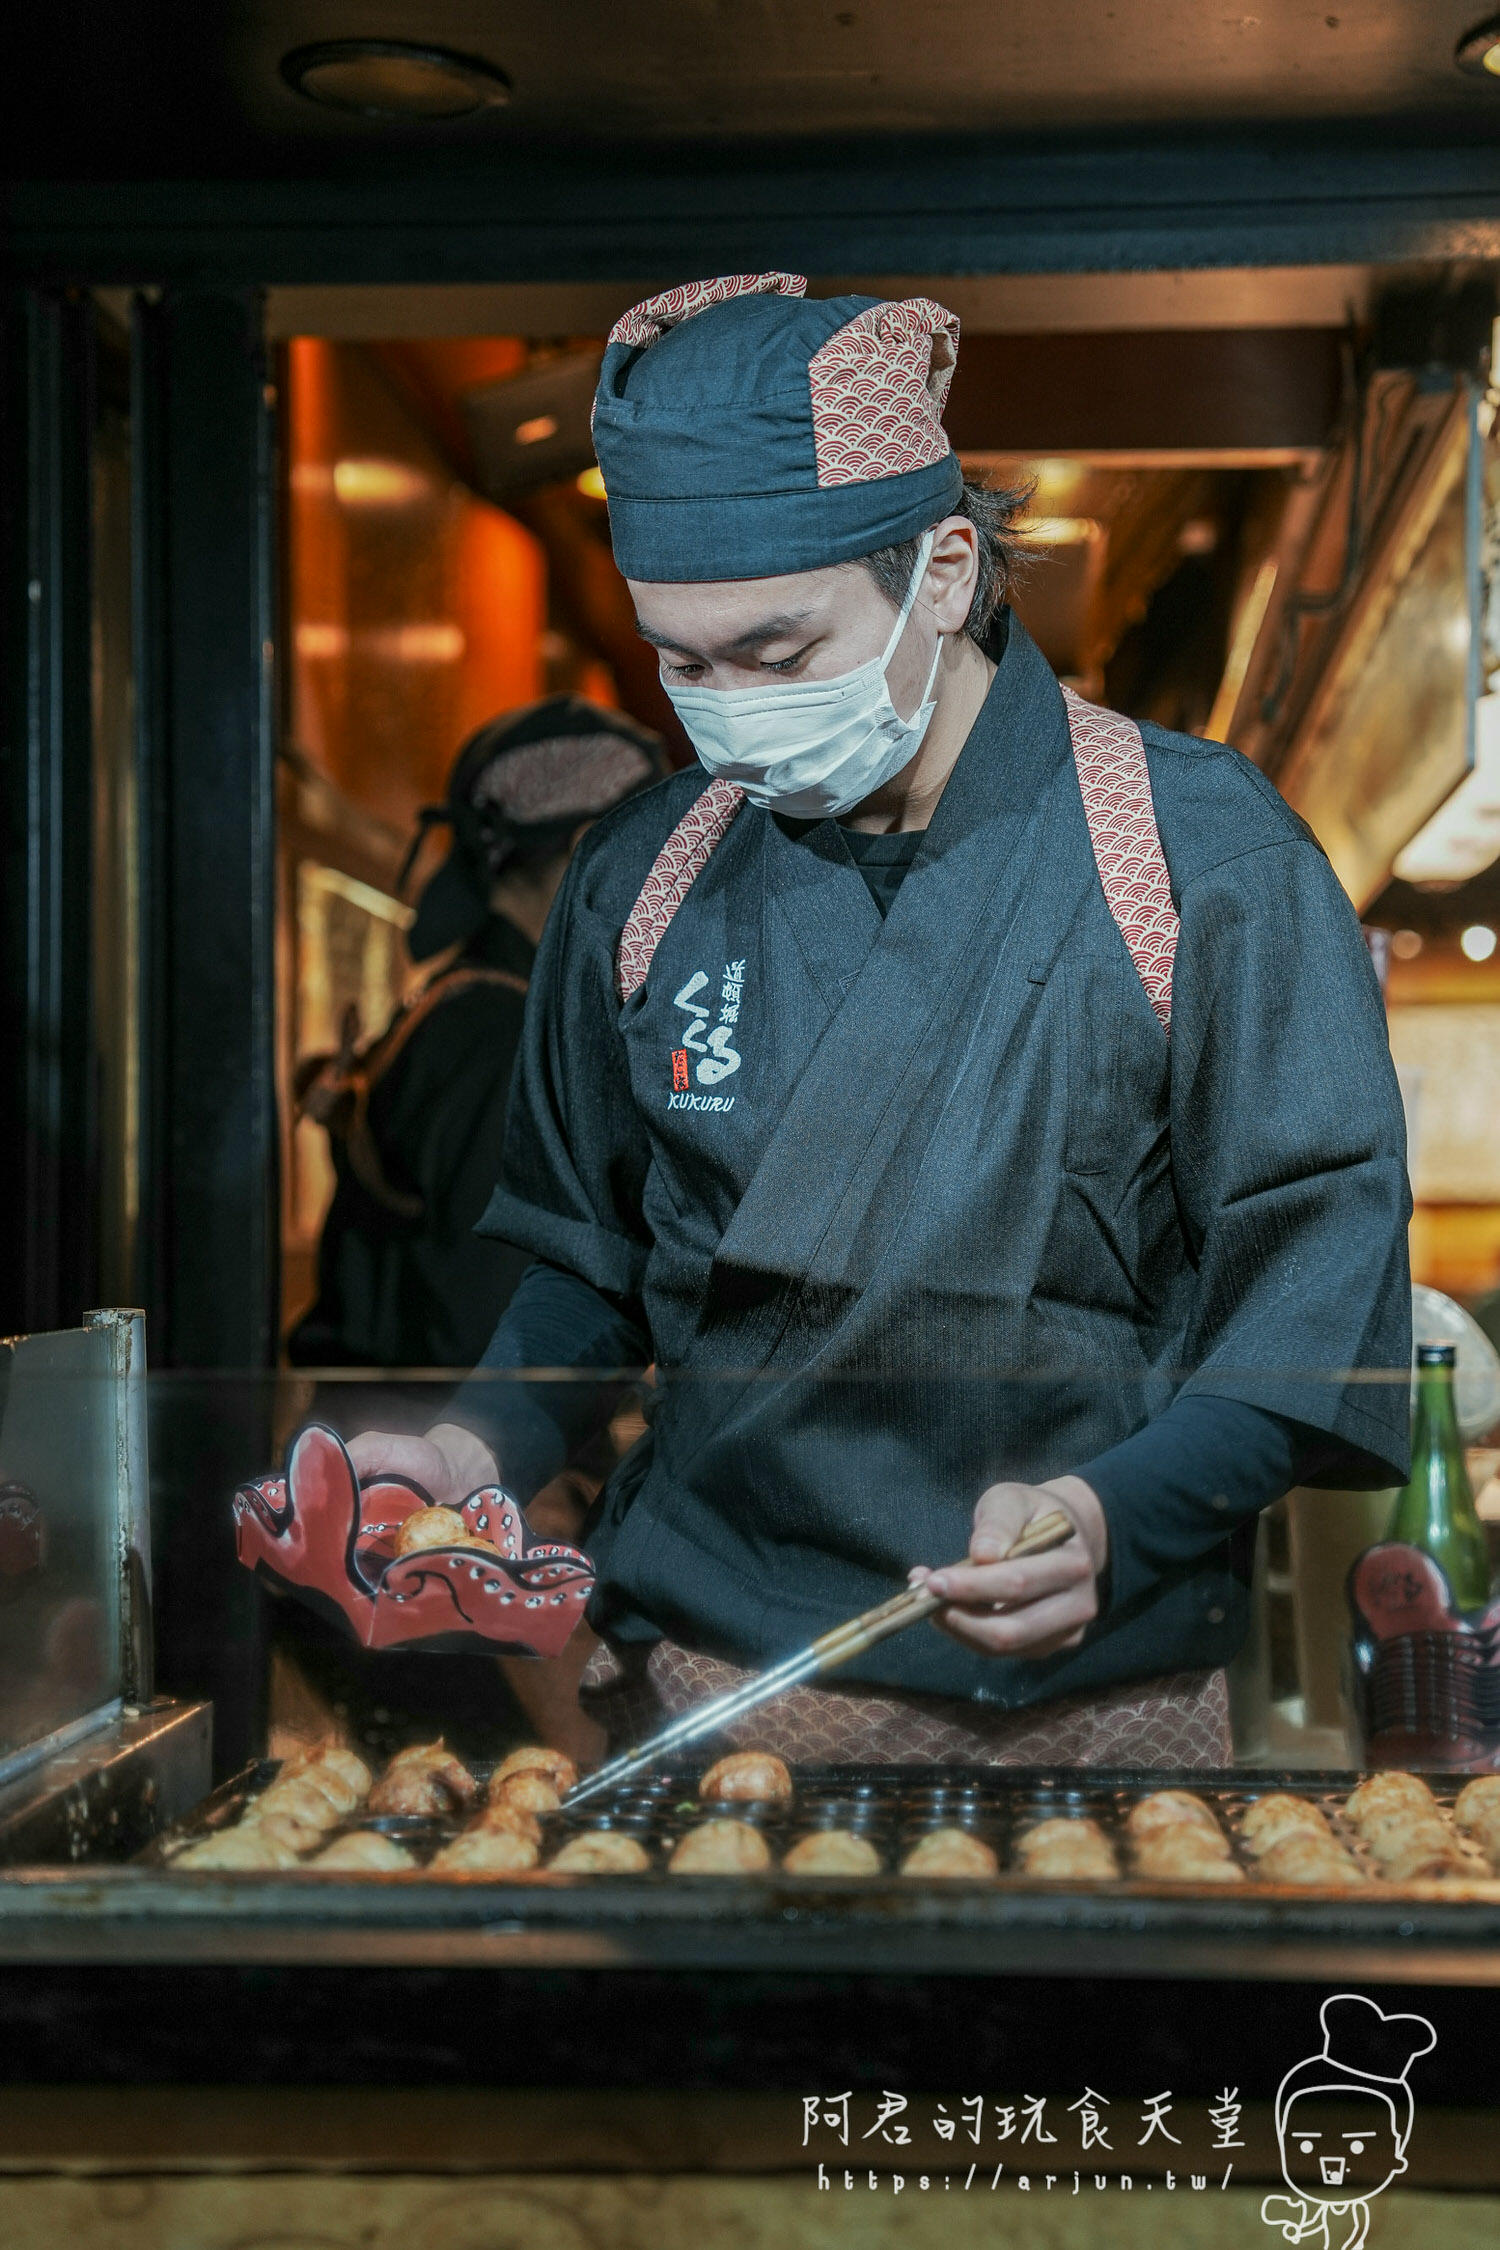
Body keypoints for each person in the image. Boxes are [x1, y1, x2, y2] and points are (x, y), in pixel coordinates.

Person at [351, 272, 1412, 1767]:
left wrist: (1123, 1511)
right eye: (684, 662)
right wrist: (479, 1446)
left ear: (947, 569)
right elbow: (587, 1269)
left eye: (778, 656)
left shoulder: (1199, 857)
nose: (728, 709)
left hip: (1096, 1714)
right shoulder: (637, 878)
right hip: (710, 1693)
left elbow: (1313, 1305)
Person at [288, 694, 664, 1405]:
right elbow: (489, 1320)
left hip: (398, 1445)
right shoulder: (509, 1034)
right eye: (649, 853)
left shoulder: (461, 1002)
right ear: (589, 850)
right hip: (442, 1470)